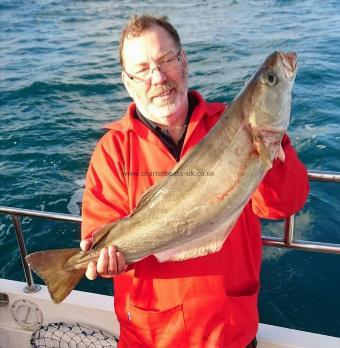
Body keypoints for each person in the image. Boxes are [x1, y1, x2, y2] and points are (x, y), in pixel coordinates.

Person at [80, 14, 309, 348]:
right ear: (128, 82)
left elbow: (283, 205)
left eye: (166, 60)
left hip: (228, 332)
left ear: (184, 61)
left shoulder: (230, 125)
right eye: (142, 69)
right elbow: (98, 230)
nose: (157, 77)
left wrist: (270, 147)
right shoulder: (113, 150)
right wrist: (101, 260)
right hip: (151, 337)